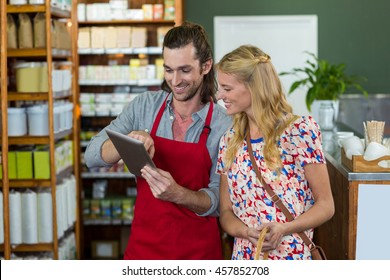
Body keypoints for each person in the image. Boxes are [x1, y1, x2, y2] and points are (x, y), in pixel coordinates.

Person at [84, 22, 232, 260]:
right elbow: (91, 156)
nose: (175, 81)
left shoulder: (224, 125)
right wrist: (129, 140)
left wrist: (178, 194)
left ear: (206, 66)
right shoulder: (144, 106)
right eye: (168, 70)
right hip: (144, 252)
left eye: (184, 70)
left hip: (198, 254)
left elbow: (219, 203)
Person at [215, 45, 335, 260]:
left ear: (253, 87)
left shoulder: (299, 131)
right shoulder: (229, 140)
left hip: (292, 258)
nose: (219, 95)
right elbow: (225, 212)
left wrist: (285, 228)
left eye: (227, 88)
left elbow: (326, 205)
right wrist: (245, 231)